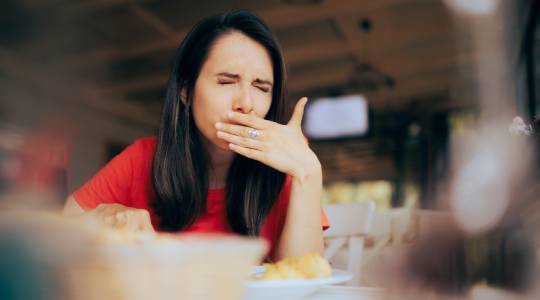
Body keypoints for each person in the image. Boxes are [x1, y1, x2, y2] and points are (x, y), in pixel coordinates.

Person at [63, 10, 328, 261]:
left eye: (262, 87)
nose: (246, 103)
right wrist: (107, 217)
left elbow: (303, 274)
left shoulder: (289, 159)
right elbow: (63, 228)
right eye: (226, 81)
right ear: (186, 91)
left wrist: (308, 173)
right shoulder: (143, 158)